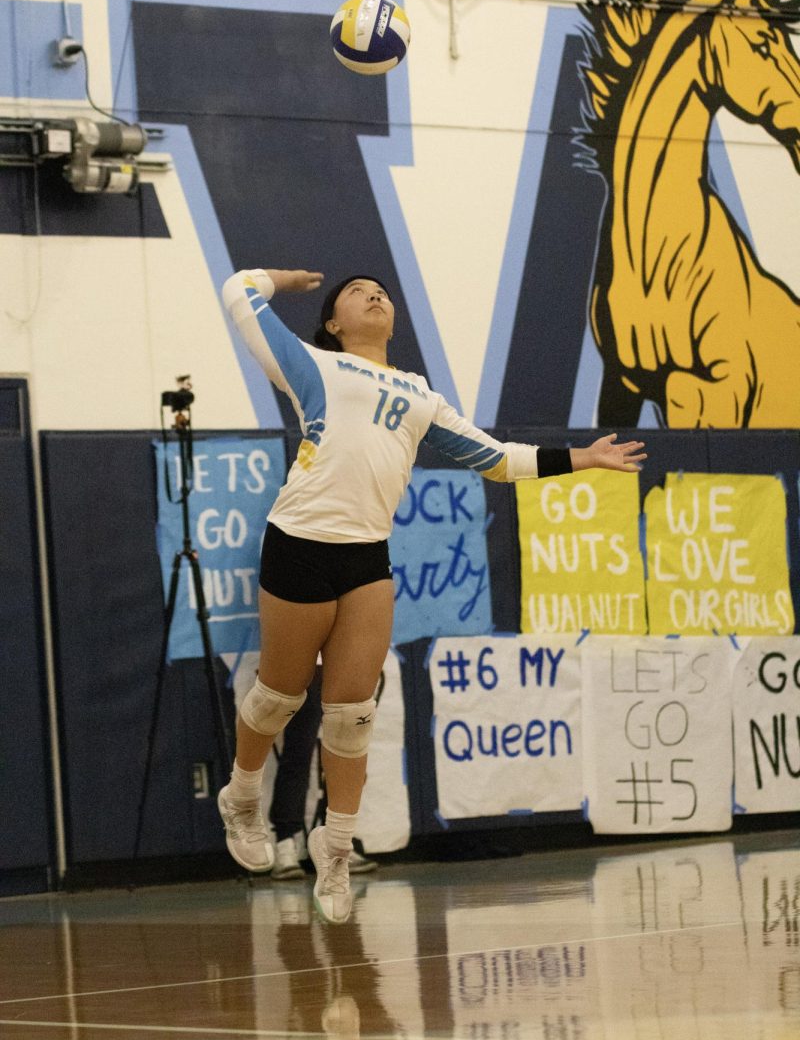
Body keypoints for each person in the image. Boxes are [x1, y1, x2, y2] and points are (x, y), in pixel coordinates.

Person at [217, 267, 646, 924]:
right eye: (355, 293)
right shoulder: (312, 365)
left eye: (379, 291)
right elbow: (239, 293)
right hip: (299, 539)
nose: (373, 294)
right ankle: (242, 796)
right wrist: (286, 279)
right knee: (278, 697)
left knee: (352, 715)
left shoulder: (418, 394)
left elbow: (498, 459)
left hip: (365, 555)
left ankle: (334, 850)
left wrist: (581, 458)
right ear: (334, 323)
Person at [270, 662, 378, 880]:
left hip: (343, 661)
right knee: (298, 750)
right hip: (304, 662)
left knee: (345, 752)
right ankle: (285, 843)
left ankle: (337, 843)